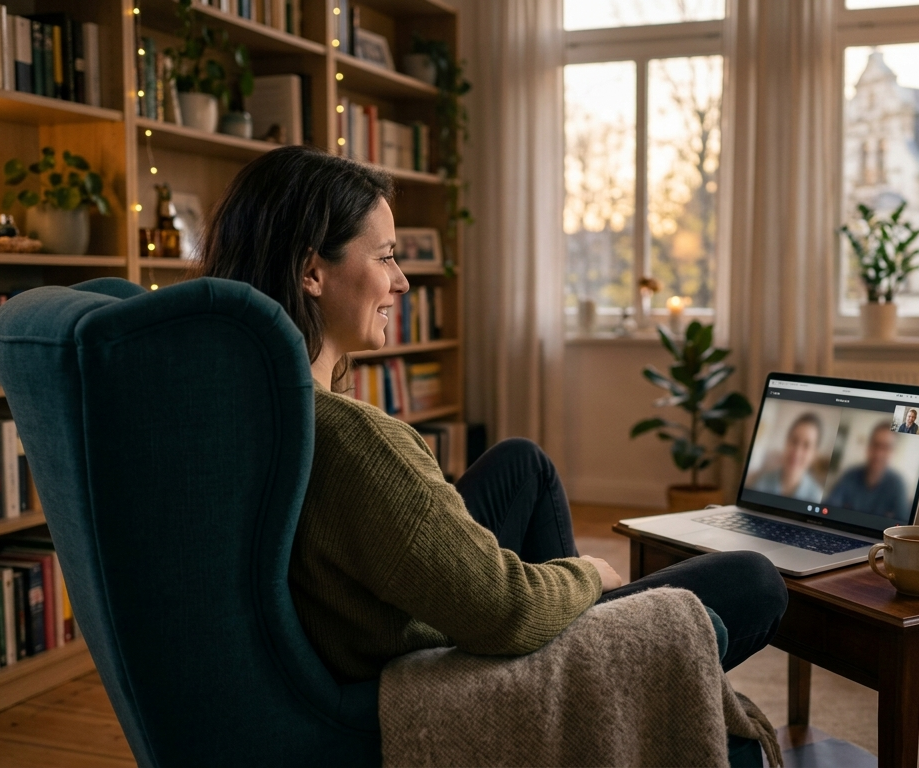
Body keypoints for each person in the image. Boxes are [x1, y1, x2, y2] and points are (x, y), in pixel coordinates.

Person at [199, 145, 787, 684]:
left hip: (385, 613)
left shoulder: (250, 406)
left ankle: (590, 624)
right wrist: (586, 575)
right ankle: (597, 657)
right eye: (384, 257)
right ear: (311, 272)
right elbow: (504, 609)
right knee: (753, 580)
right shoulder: (352, 440)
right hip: (441, 668)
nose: (402, 281)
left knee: (521, 465)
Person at [824, 422, 910, 520]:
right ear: (868, 447)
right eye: (875, 445)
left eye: (886, 447)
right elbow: (829, 508)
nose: (879, 454)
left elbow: (902, 525)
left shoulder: (898, 484)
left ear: (893, 452)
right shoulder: (850, 475)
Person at [749, 413, 824, 501]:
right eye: (794, 441)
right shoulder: (763, 482)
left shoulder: (817, 496)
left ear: (814, 454)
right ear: (786, 441)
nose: (797, 452)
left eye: (806, 445)